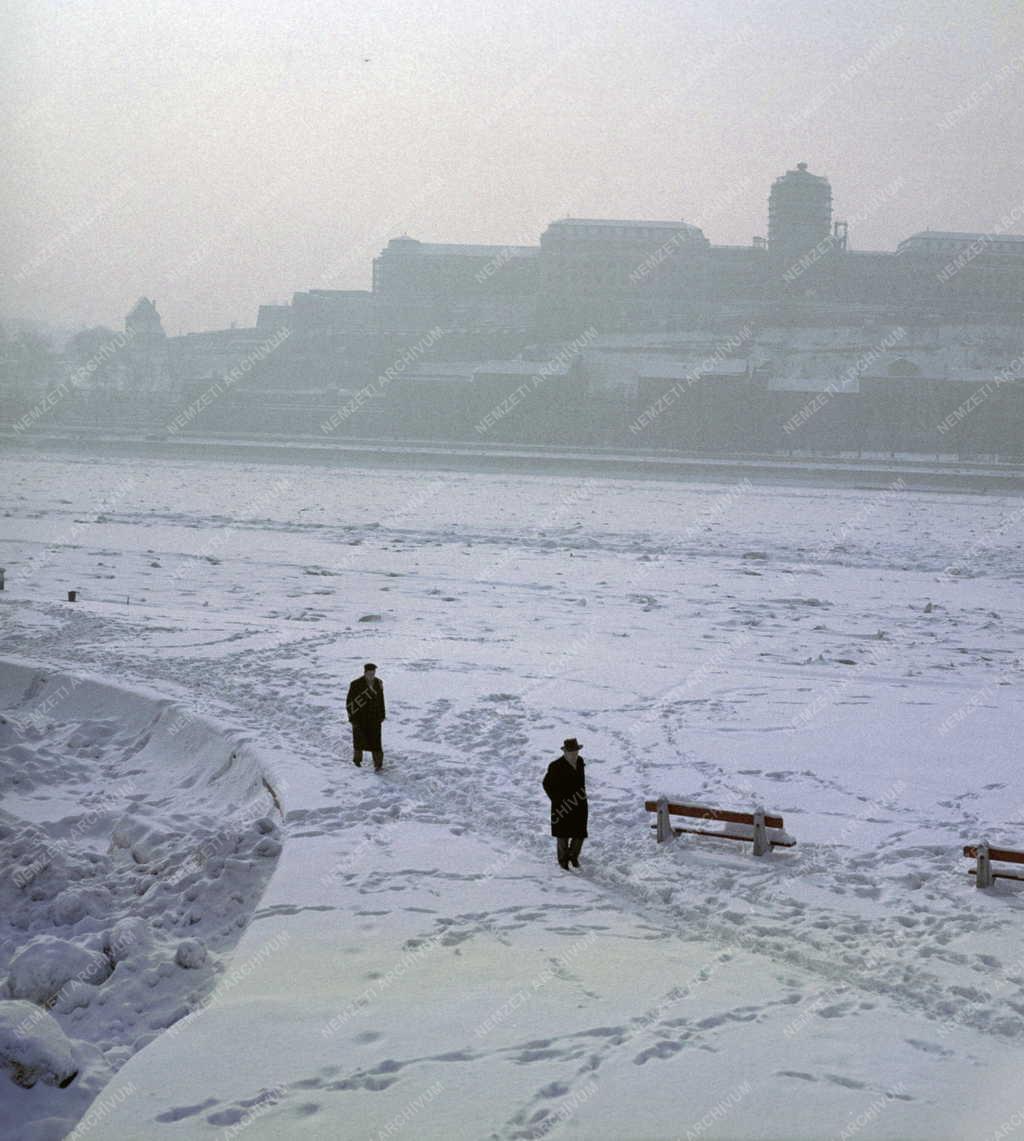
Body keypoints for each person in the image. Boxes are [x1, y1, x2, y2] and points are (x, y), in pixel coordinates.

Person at [542, 737, 588, 870]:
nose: (574, 754)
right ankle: (563, 861)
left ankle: (573, 856)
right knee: (563, 834)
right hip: (562, 805)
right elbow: (546, 784)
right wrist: (556, 799)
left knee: (580, 833)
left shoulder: (580, 761)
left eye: (576, 751)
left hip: (579, 804)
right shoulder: (555, 766)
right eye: (572, 751)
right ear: (565, 752)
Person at [346, 662, 386, 770]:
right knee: (358, 741)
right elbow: (350, 702)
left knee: (376, 742)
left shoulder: (378, 683)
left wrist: (382, 715)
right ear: (365, 673)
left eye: (373, 673)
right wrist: (352, 718)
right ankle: (357, 762)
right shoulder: (355, 684)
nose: (371, 676)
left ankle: (378, 764)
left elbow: (381, 700)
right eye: (369, 673)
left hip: (374, 718)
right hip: (360, 718)